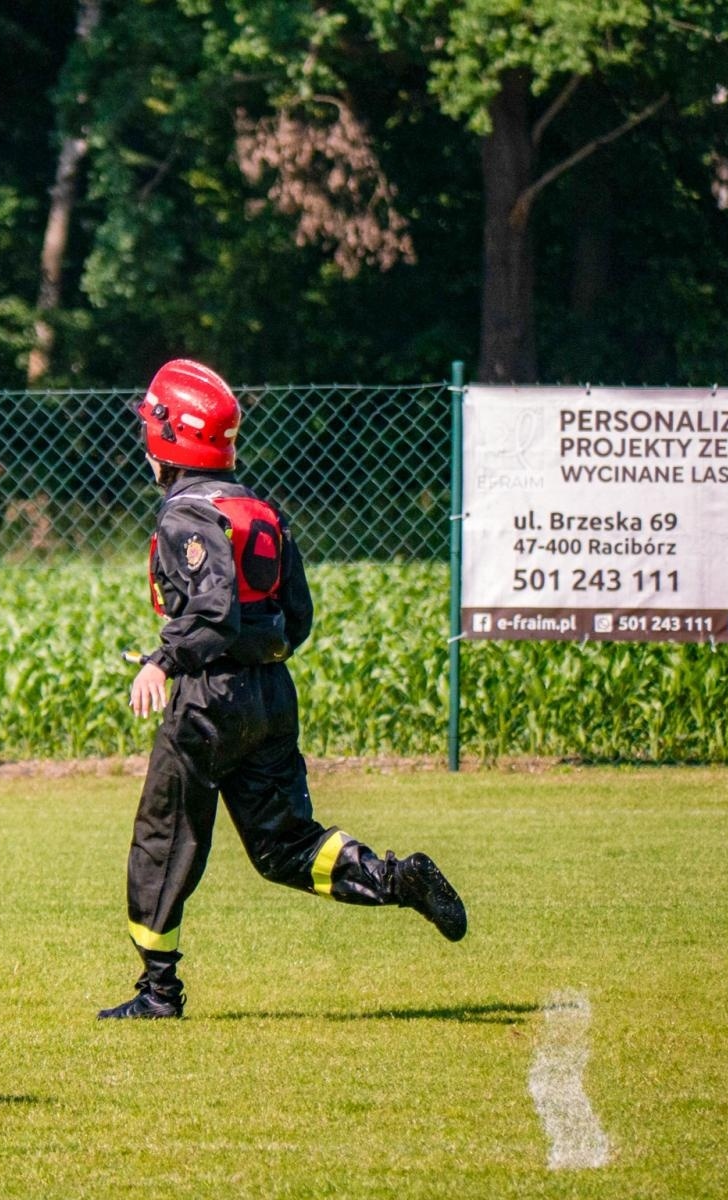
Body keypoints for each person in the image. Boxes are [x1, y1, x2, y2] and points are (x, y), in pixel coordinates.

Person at [101, 360, 468, 1020]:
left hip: (208, 701)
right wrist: (254, 665)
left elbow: (212, 611)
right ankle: (394, 877)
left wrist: (163, 659)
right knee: (284, 846)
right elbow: (294, 617)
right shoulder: (259, 510)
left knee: (166, 837)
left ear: (168, 438)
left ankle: (158, 992)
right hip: (270, 695)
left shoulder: (186, 514)